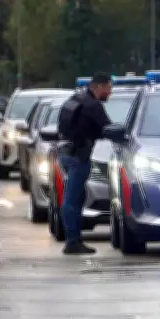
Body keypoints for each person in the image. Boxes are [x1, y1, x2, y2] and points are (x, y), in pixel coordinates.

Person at [58, 72, 112, 255]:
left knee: (76, 197)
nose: (110, 93)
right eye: (109, 88)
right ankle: (72, 241)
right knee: (72, 199)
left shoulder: (77, 98)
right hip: (78, 156)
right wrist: (124, 136)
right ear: (99, 87)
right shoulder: (93, 105)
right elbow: (108, 128)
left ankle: (75, 239)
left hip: (66, 153)